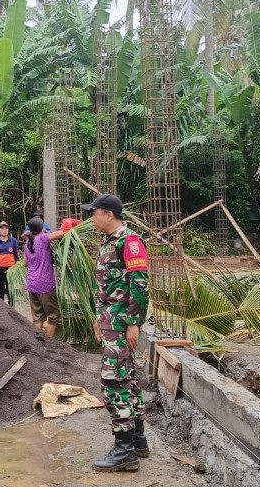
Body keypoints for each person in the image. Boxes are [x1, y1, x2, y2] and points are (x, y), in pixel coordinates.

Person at [82, 194, 149, 473]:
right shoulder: (109, 242)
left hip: (121, 324)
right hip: (111, 321)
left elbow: (140, 283)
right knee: (129, 379)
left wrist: (134, 322)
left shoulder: (128, 242)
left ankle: (124, 452)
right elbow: (107, 288)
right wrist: (100, 319)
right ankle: (137, 440)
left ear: (109, 214)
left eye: (95, 213)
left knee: (114, 382)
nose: (92, 218)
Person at [23, 217, 67, 339]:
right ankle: (49, 343)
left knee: (38, 316)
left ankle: (38, 343)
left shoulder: (27, 244)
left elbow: (25, 263)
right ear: (41, 228)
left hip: (31, 284)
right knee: (53, 315)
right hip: (45, 284)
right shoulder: (42, 238)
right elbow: (61, 233)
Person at [0, 222, 19, 302]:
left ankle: (12, 308)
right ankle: (2, 309)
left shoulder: (13, 241)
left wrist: (15, 266)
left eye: (6, 228)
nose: (4, 230)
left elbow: (16, 255)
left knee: (10, 289)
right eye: (2, 229)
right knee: (0, 289)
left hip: (10, 268)